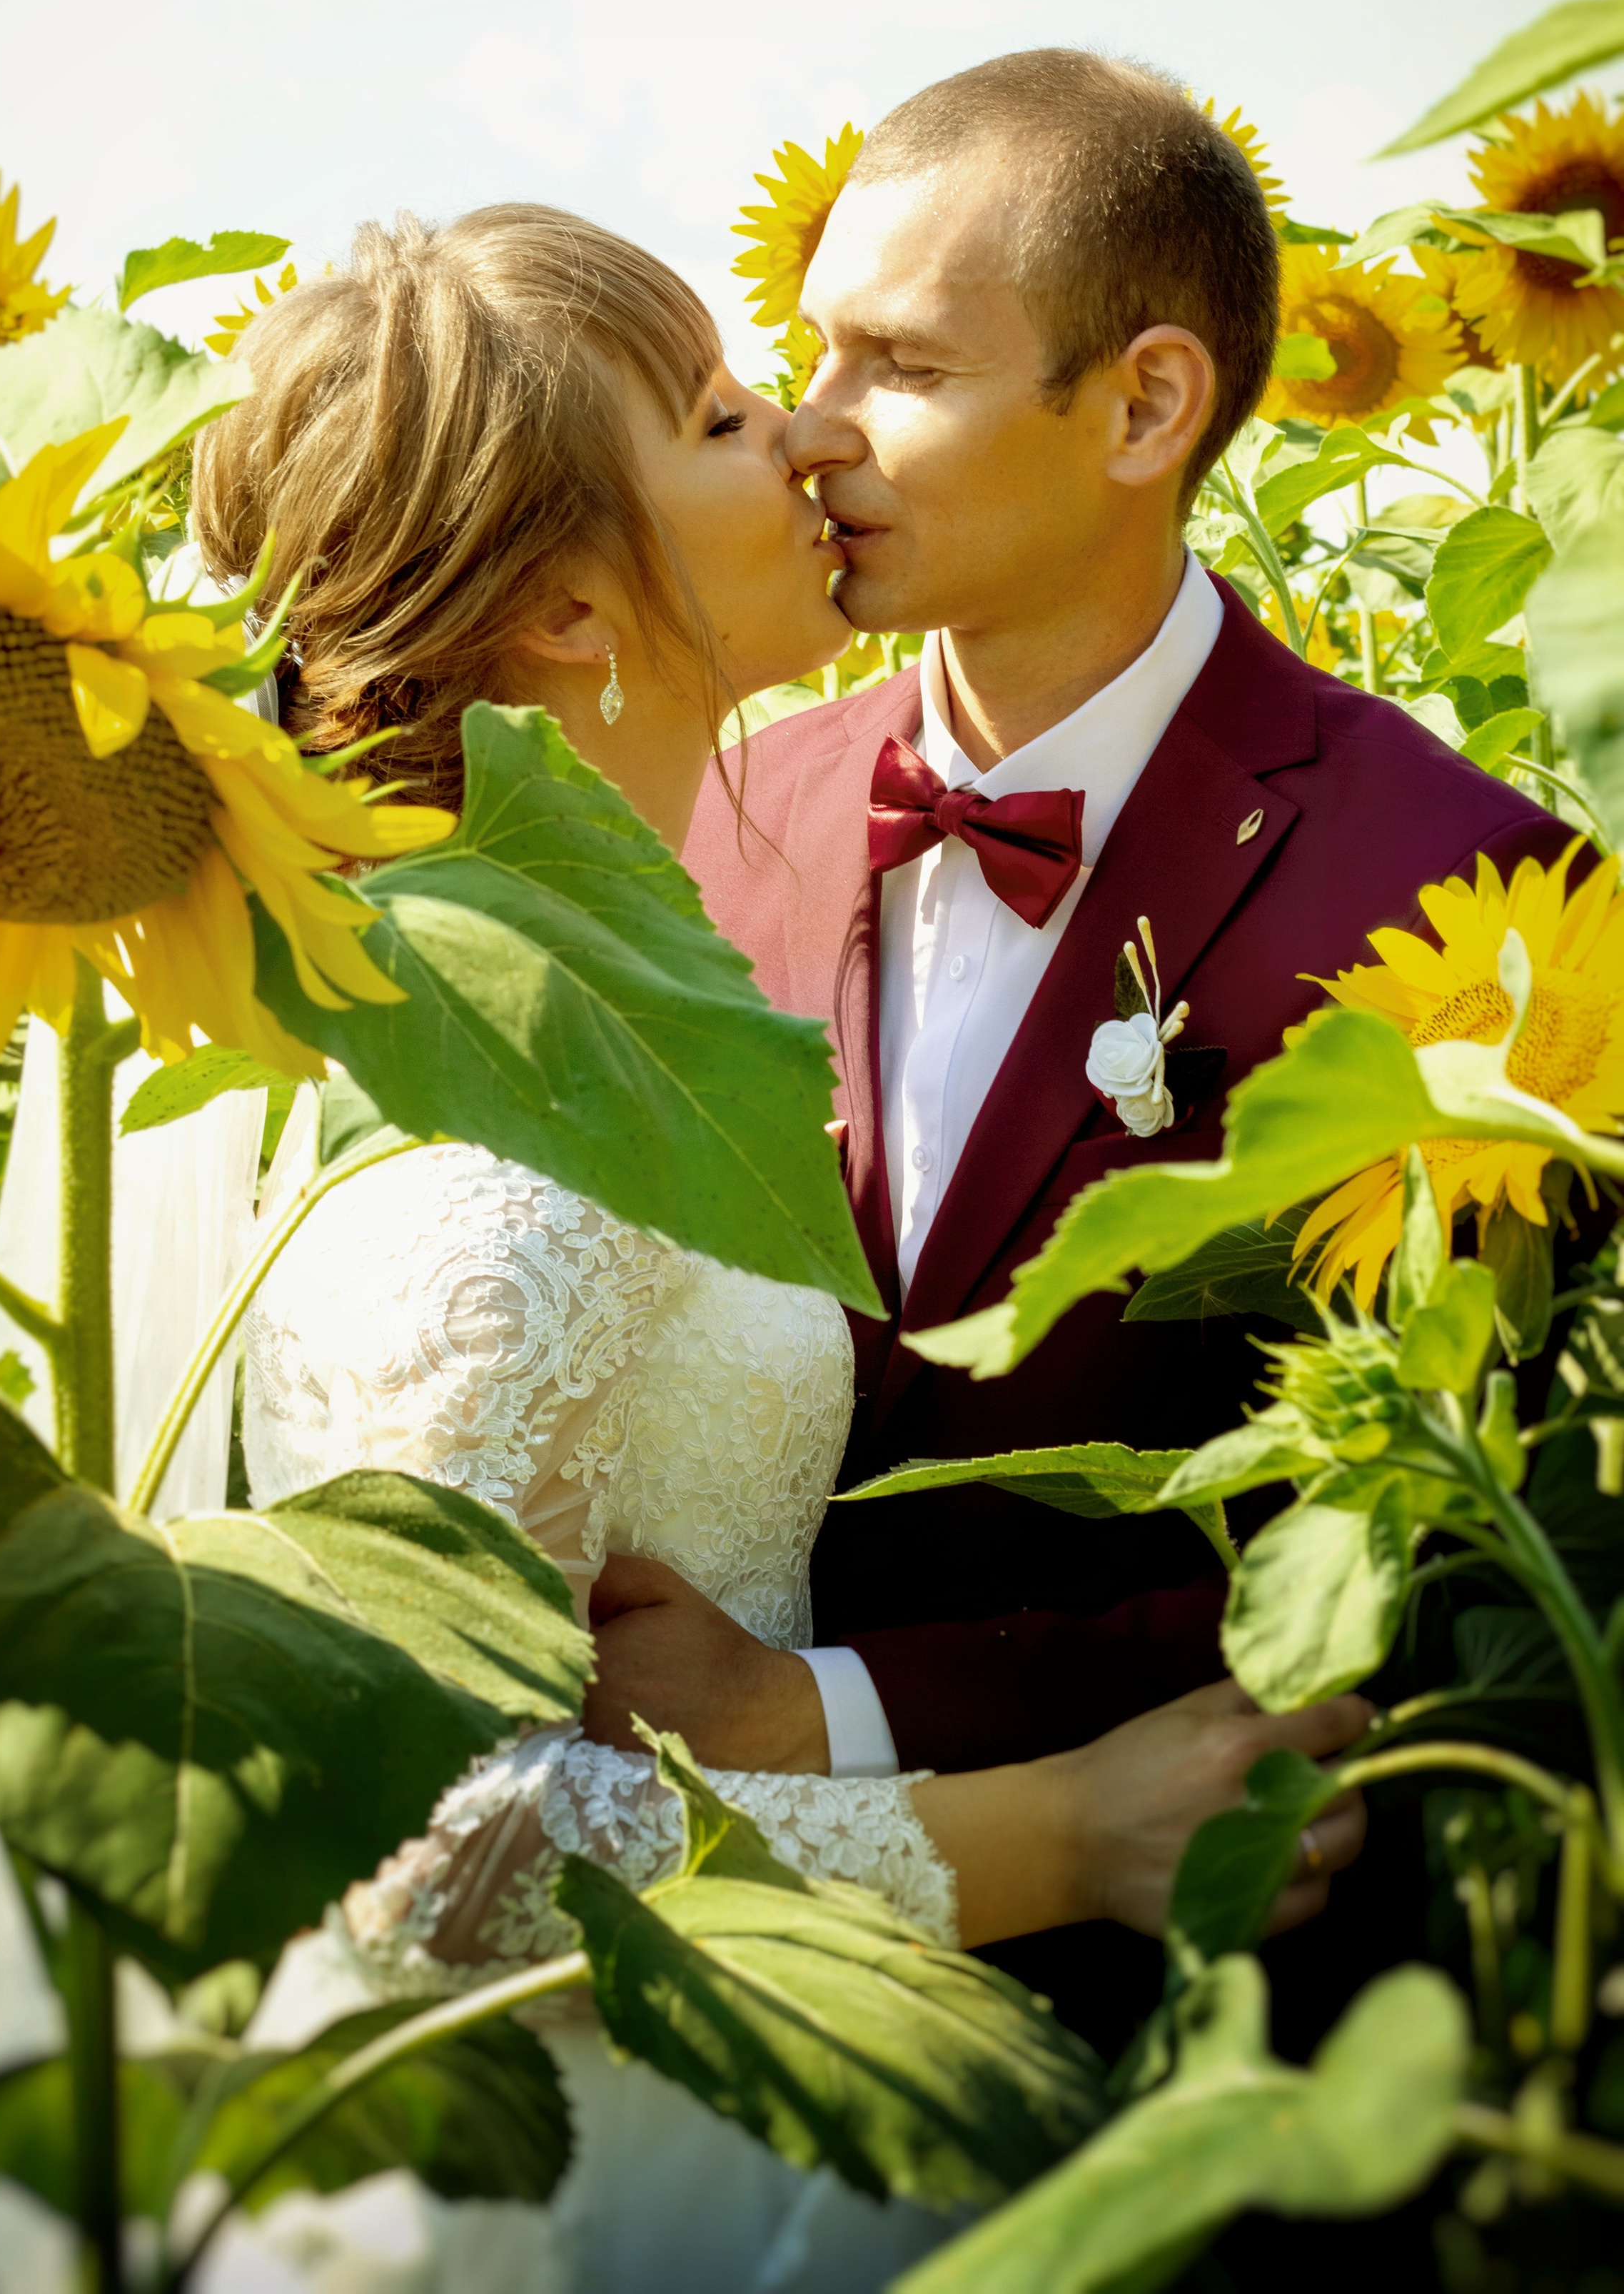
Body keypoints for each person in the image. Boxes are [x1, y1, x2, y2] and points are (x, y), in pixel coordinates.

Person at [188, 201, 1370, 2294]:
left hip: (751, 2075)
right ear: (569, 604)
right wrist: (1068, 1833)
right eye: (731, 414)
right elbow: (452, 1864)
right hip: (583, 2167)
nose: (816, 442)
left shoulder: (603, 990)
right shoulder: (496, 1161)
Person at [581, 48, 1576, 2056]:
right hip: (722, 1970)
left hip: (1205, 2008)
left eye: (904, 369)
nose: (811, 435)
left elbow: (1414, 1548)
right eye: (810, 356)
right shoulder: (724, 806)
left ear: (1143, 405)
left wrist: (816, 1713)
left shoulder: (1476, 894)